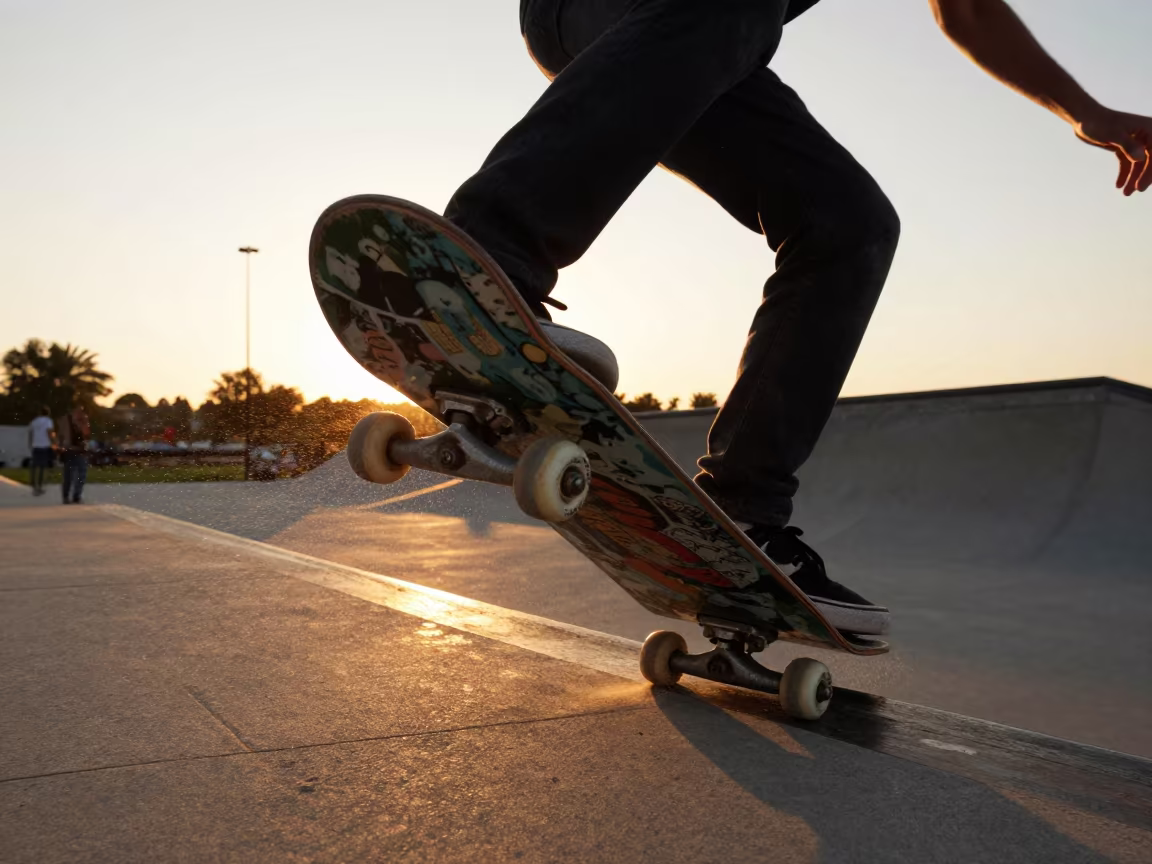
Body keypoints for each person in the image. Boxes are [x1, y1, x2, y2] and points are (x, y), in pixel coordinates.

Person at [442, 0, 1150, 635]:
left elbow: (969, 11)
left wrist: (1086, 110)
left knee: (850, 223)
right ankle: (489, 257)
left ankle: (744, 510)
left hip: (697, 40)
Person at [57, 404, 91, 505]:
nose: (80, 412)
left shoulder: (84, 420)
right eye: (78, 410)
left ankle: (77, 496)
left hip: (80, 450)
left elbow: (87, 434)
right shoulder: (65, 420)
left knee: (82, 474)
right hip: (68, 450)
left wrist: (84, 423)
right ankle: (66, 496)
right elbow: (60, 435)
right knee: (68, 475)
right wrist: (60, 448)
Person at [26, 405, 56, 496]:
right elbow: (49, 432)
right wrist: (54, 442)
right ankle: (39, 486)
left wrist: (30, 443)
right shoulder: (48, 421)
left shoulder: (34, 421)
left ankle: (33, 484)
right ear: (48, 413)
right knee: (42, 467)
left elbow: (30, 432)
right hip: (45, 445)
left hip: (36, 445)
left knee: (35, 466)